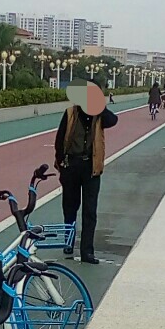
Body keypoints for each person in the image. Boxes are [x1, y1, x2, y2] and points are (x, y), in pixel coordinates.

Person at [54, 89, 118, 264]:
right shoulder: (70, 113)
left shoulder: (100, 116)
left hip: (91, 167)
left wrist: (100, 108)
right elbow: (59, 141)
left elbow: (113, 120)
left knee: (90, 211)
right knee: (70, 207)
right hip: (72, 166)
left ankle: (87, 252)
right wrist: (62, 165)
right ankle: (68, 242)